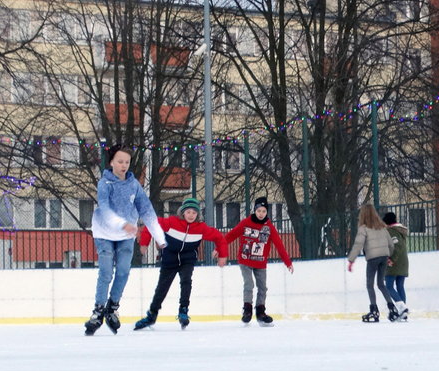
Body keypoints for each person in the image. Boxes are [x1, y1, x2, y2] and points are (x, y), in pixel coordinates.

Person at [85, 144, 166, 336]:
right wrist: (123, 224)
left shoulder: (133, 185)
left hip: (126, 235)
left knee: (123, 271)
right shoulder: (105, 184)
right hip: (104, 233)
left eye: (127, 162)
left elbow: (146, 209)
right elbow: (104, 209)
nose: (123, 165)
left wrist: (159, 237)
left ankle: (112, 308)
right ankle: (98, 311)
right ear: (112, 162)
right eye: (120, 161)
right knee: (106, 272)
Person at [135, 197, 227, 330]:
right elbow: (151, 224)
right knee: (162, 287)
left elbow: (219, 237)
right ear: (182, 212)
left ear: (198, 215)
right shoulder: (171, 222)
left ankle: (183, 310)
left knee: (186, 281)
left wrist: (222, 255)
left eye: (194, 213)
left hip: (187, 259)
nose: (191, 215)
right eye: (188, 212)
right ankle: (152, 315)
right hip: (169, 259)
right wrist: (144, 242)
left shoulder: (201, 228)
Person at [225, 197, 294, 326]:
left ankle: (261, 312)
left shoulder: (269, 228)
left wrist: (287, 262)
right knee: (249, 284)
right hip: (245, 260)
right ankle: (247, 310)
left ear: (266, 212)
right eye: (259, 210)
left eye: (264, 211)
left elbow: (279, 245)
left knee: (262, 287)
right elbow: (232, 235)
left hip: (260, 262)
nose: (261, 213)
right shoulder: (246, 223)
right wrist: (219, 247)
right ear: (255, 210)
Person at [347, 204, 401, 323]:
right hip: (384, 256)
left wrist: (351, 260)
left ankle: (374, 310)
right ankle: (392, 309)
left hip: (372, 258)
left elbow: (358, 244)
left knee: (370, 285)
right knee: (381, 284)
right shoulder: (382, 227)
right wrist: (388, 256)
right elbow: (391, 244)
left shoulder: (363, 228)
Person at [383, 211, 409, 321]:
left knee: (388, 286)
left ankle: (401, 307)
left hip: (394, 262)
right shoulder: (400, 230)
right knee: (399, 286)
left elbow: (396, 246)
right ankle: (402, 313)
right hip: (403, 262)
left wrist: (391, 259)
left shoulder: (391, 231)